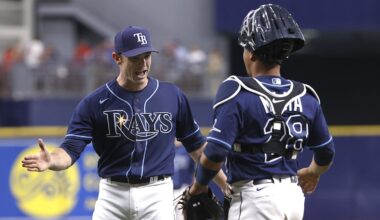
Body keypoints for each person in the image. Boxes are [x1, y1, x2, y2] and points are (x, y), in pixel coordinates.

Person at [21, 26, 227, 220]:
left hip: (157, 193)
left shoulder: (172, 95)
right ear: (117, 58)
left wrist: (226, 185)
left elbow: (198, 149)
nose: (143, 64)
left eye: (147, 56)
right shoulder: (95, 102)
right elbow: (70, 150)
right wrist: (52, 160)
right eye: (135, 58)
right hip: (113, 195)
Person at [188, 4, 335, 220]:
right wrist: (313, 172)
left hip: (254, 199)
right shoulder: (306, 95)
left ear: (251, 54)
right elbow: (326, 153)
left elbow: (215, 153)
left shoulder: (236, 90)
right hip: (293, 198)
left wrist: (198, 186)